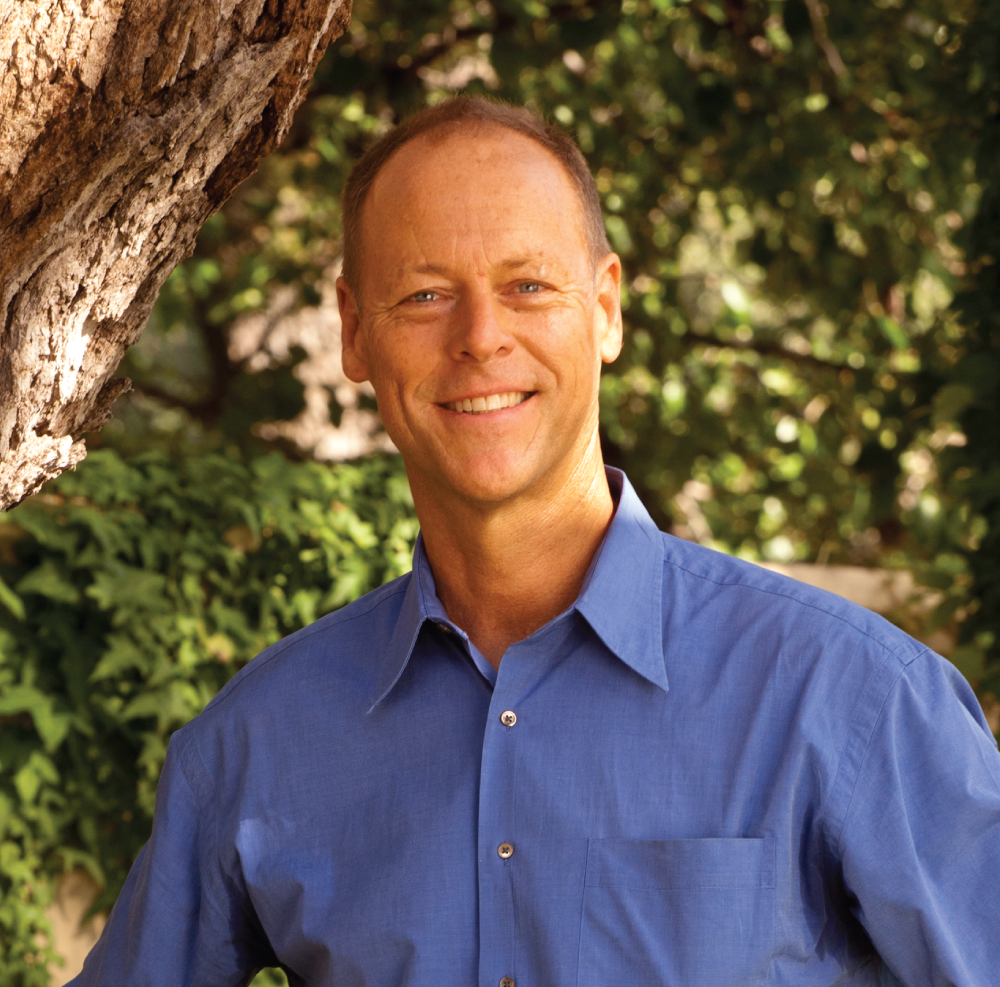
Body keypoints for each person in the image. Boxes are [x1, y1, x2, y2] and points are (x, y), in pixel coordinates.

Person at [72, 96, 1000, 987]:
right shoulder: (255, 747)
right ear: (355, 333)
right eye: (427, 293)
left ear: (606, 310)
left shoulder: (857, 705)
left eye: (528, 286)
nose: (481, 338)